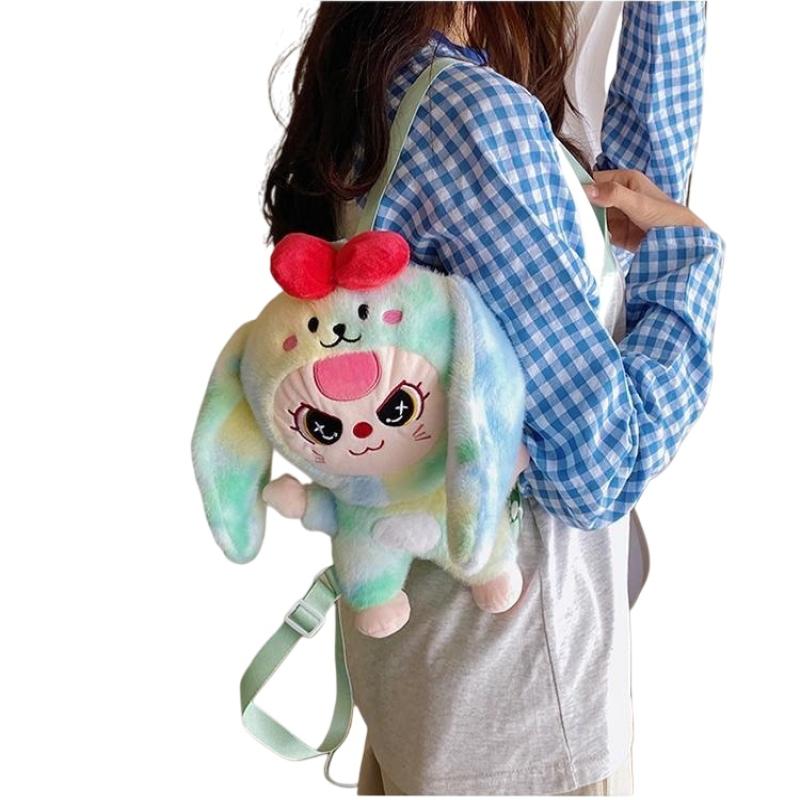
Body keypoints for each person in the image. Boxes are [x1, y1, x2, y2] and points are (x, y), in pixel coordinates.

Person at [263, 2, 724, 795]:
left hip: (428, 678)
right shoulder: (477, 121)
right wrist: (692, 263)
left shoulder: (376, 81)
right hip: (517, 712)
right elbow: (597, 471)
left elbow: (613, 230)